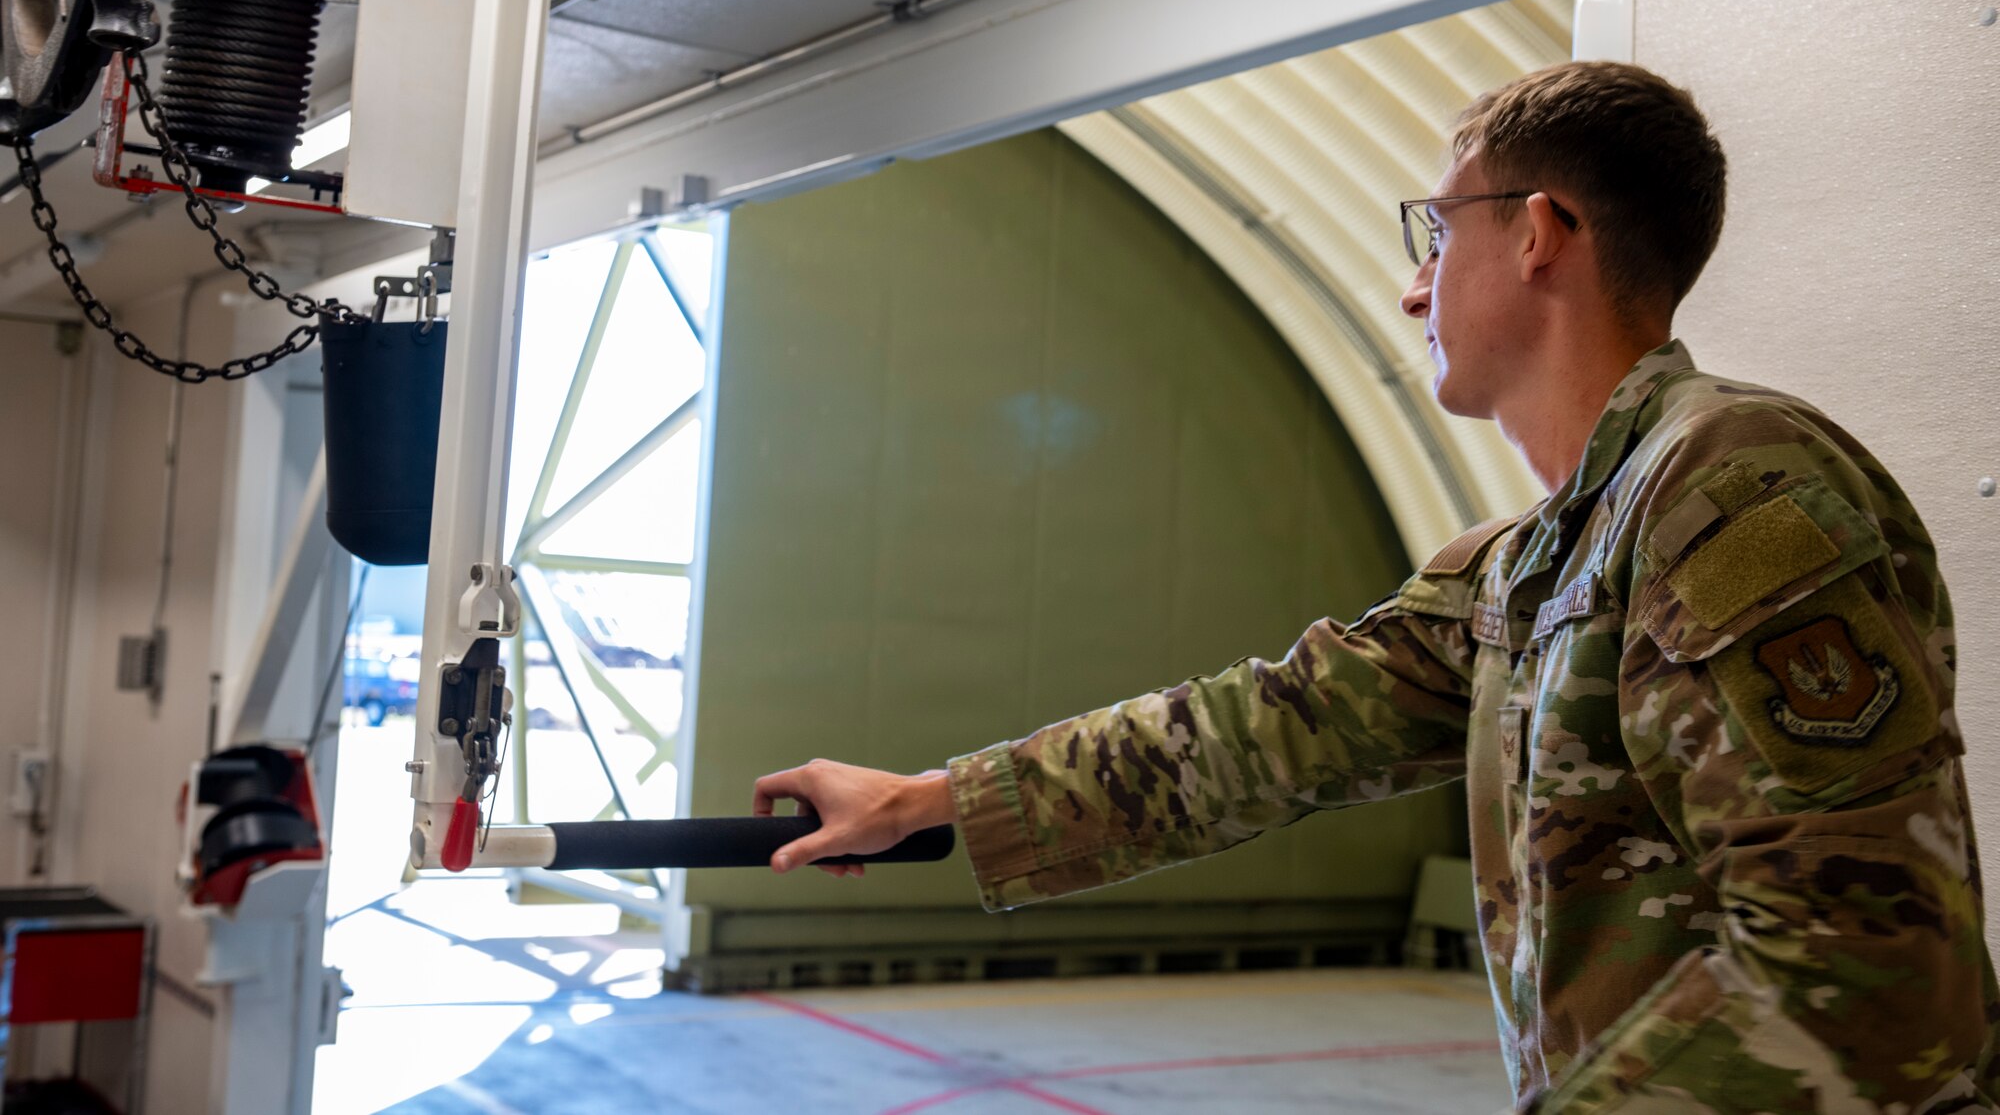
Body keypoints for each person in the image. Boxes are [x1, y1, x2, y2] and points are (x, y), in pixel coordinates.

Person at [752, 61, 2000, 1112]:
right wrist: (932, 802)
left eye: (1434, 231)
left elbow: (1865, 969)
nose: (1411, 286)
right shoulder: (1530, 560)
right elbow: (1268, 730)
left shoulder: (1730, 485)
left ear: (1535, 232)